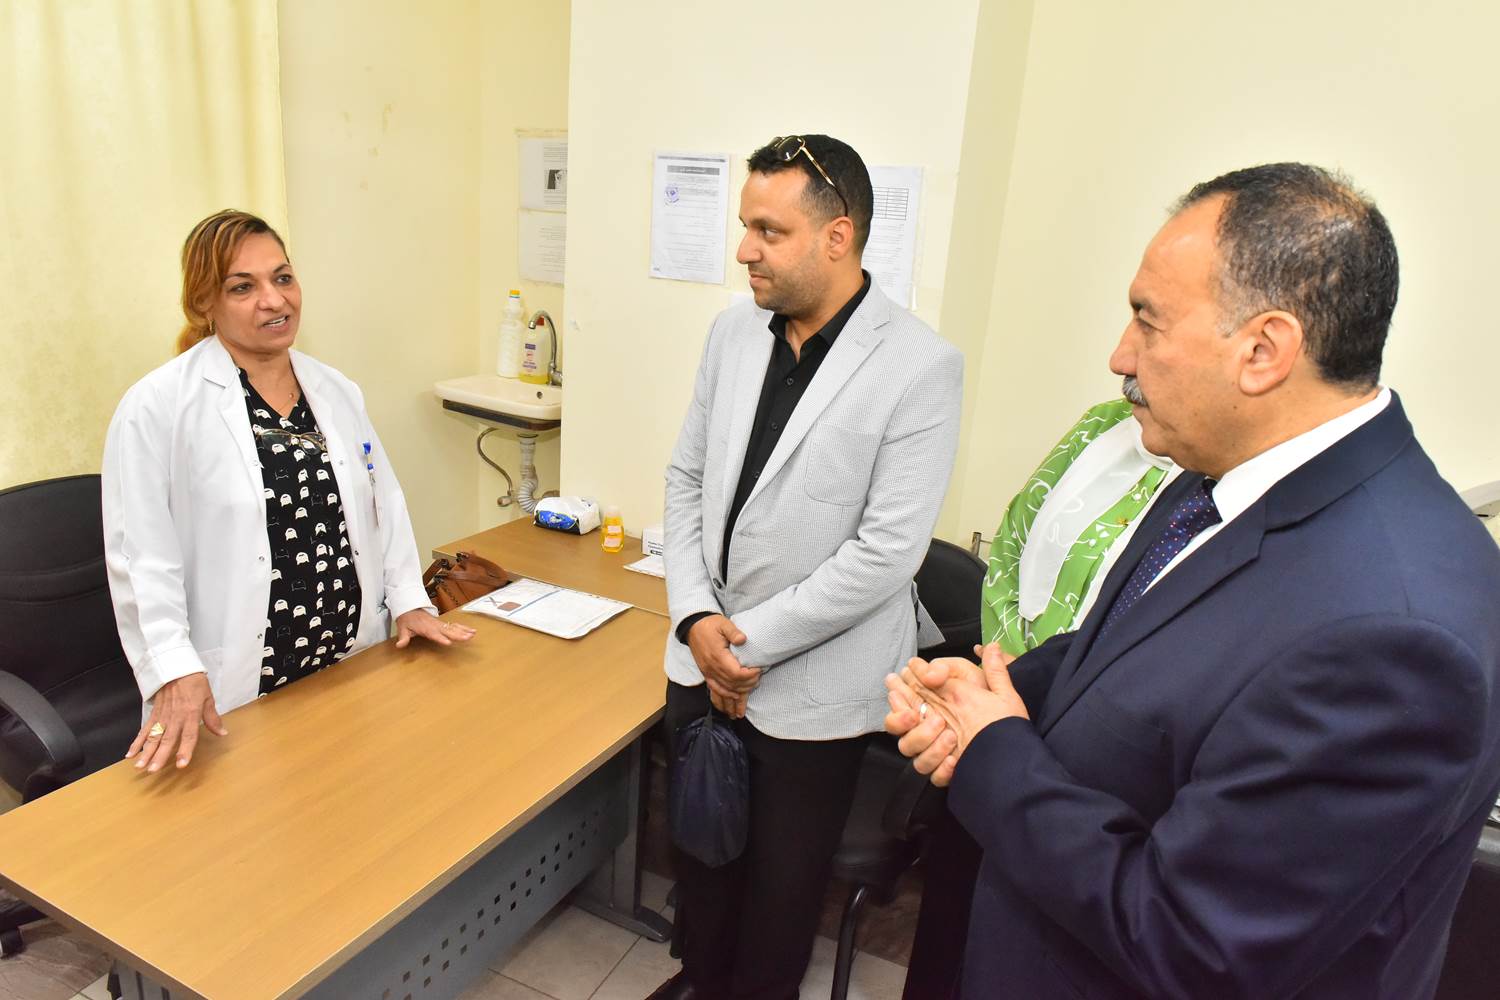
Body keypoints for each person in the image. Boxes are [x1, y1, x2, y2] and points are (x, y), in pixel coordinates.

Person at [888, 163, 1500, 998]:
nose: (1120, 355)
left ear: (1263, 351)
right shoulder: (1223, 468)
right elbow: (1152, 646)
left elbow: (1193, 944)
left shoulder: (1397, 637)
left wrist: (994, 751)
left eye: (1148, 320)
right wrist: (999, 690)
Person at [655, 134, 962, 999]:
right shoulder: (732, 333)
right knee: (703, 869)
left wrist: (743, 644)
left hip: (812, 689)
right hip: (701, 657)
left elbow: (886, 552)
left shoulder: (919, 366)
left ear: (837, 236)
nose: (744, 250)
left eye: (769, 231)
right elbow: (685, 480)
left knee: (779, 902)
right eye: (745, 226)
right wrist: (695, 618)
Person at [103, 210, 474, 775]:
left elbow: (383, 503)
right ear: (204, 303)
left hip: (349, 664)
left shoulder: (335, 390)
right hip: (243, 685)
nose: (274, 300)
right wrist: (173, 667)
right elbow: (141, 557)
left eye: (282, 278)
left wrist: (408, 600)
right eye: (242, 287)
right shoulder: (157, 407)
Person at [905, 398, 1179, 1000]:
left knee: (1035, 944)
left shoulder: (1220, 491)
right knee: (955, 925)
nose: (1123, 359)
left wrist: (1026, 696)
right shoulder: (1104, 423)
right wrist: (1006, 674)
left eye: (1149, 342)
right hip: (997, 713)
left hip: (1088, 756)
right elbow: (1012, 543)